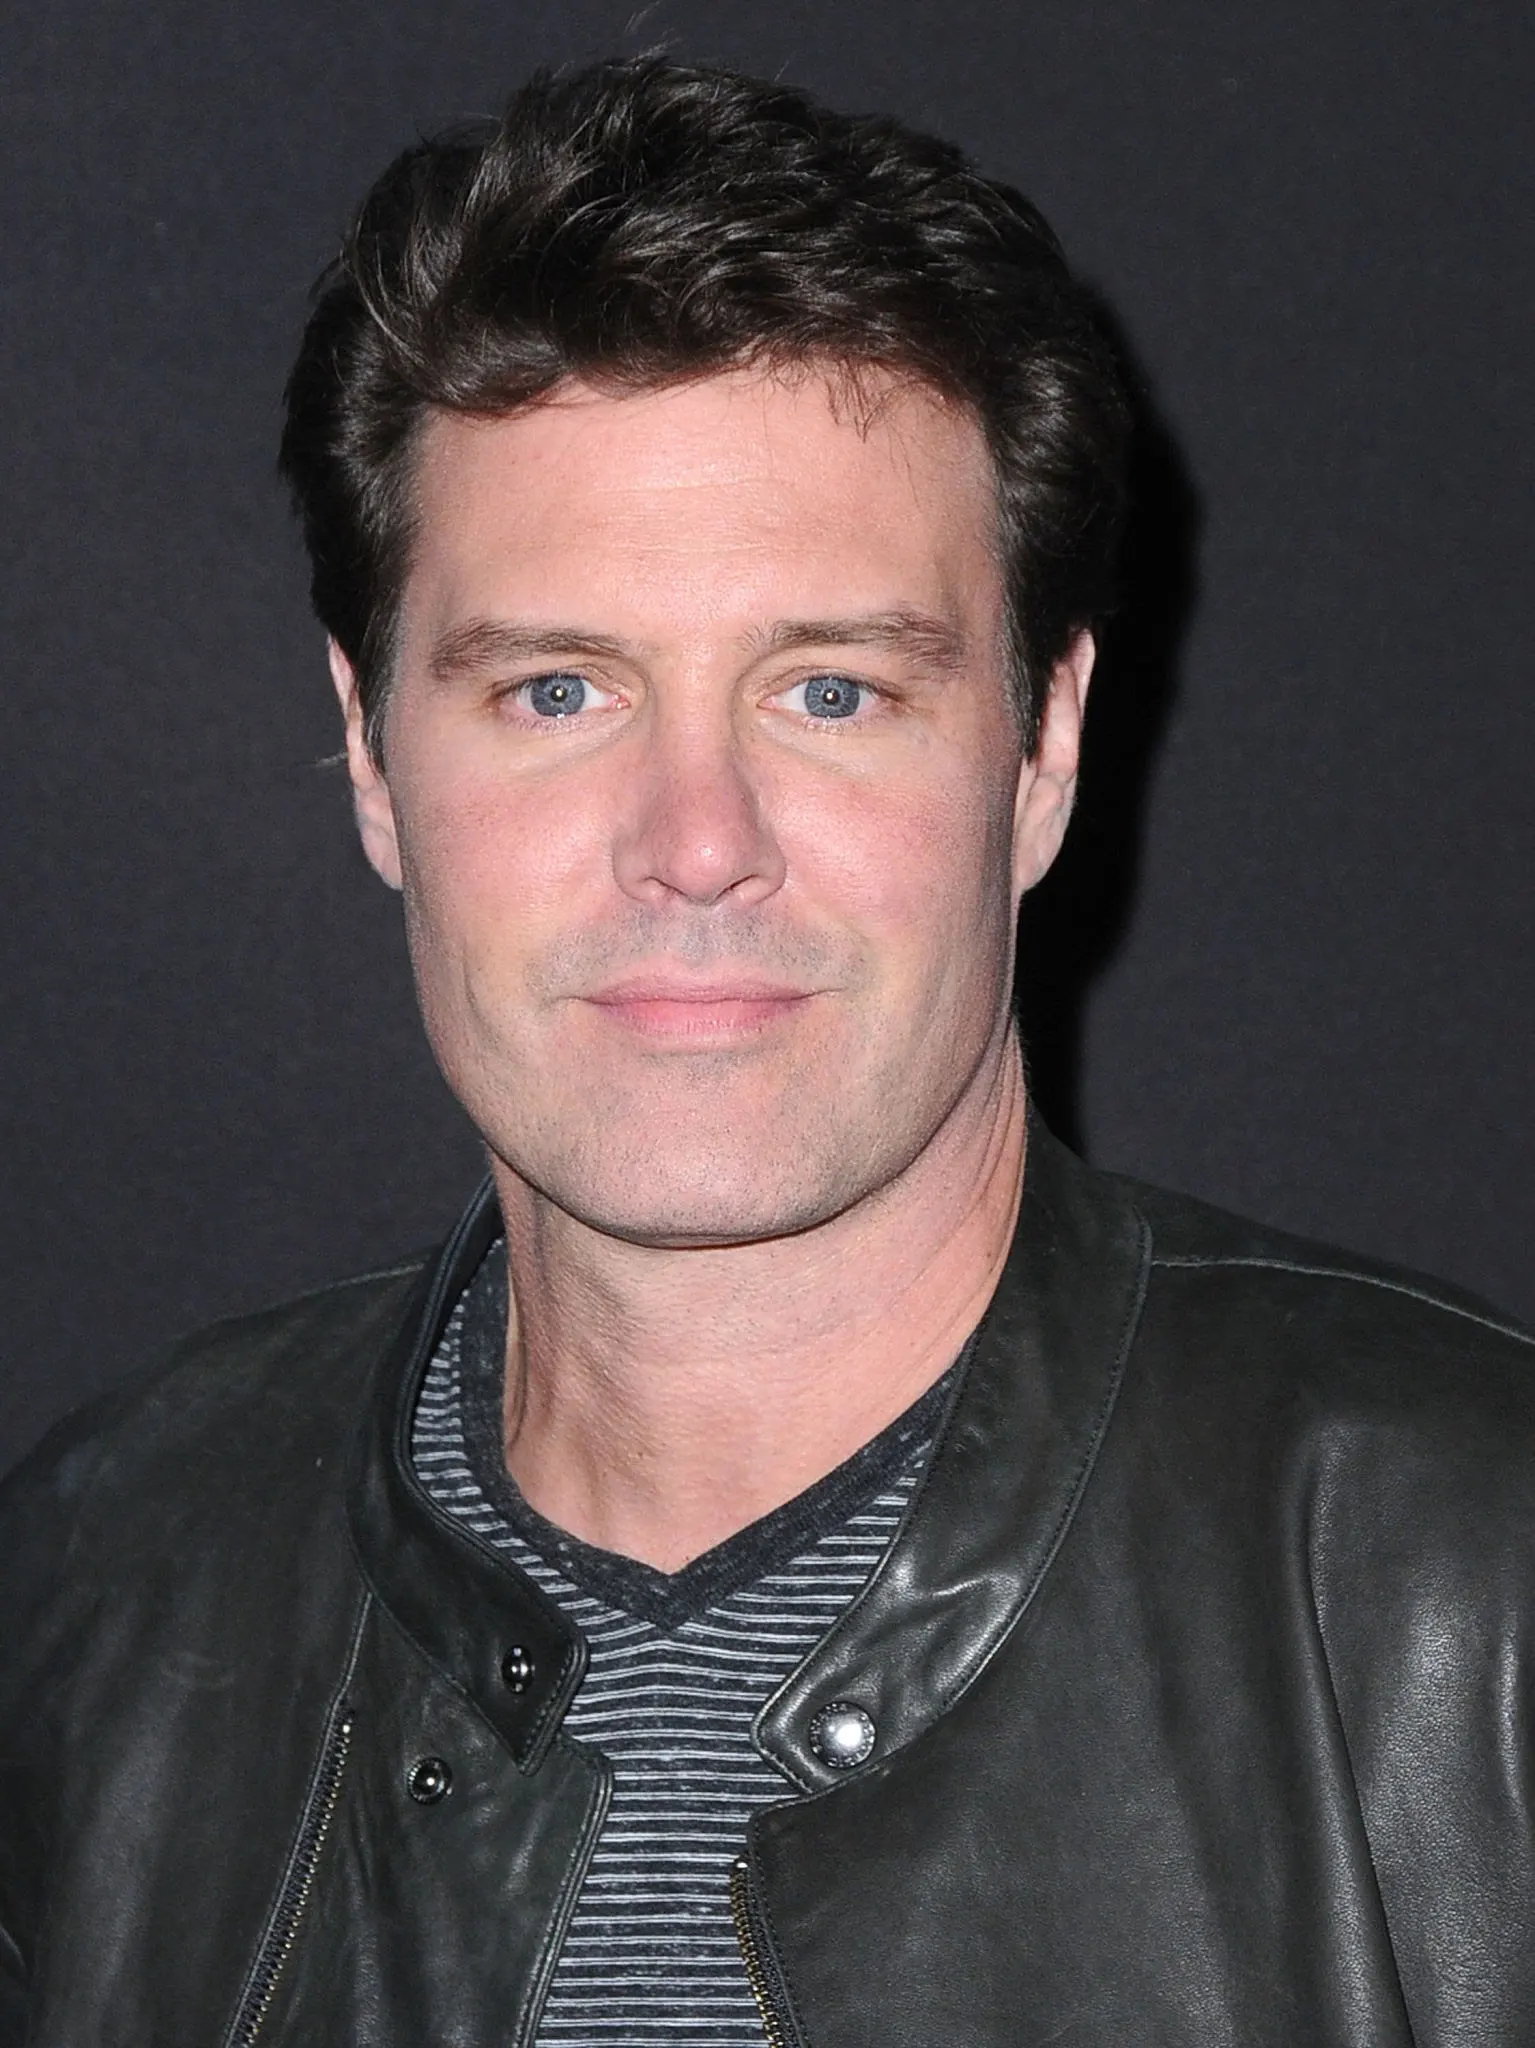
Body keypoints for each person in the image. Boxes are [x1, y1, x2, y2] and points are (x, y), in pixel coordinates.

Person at [1, 55, 1530, 2048]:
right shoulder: (93, 1596)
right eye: (557, 691)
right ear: (372, 754)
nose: (697, 841)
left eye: (831, 690)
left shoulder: (1467, 1589)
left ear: (1041, 749)